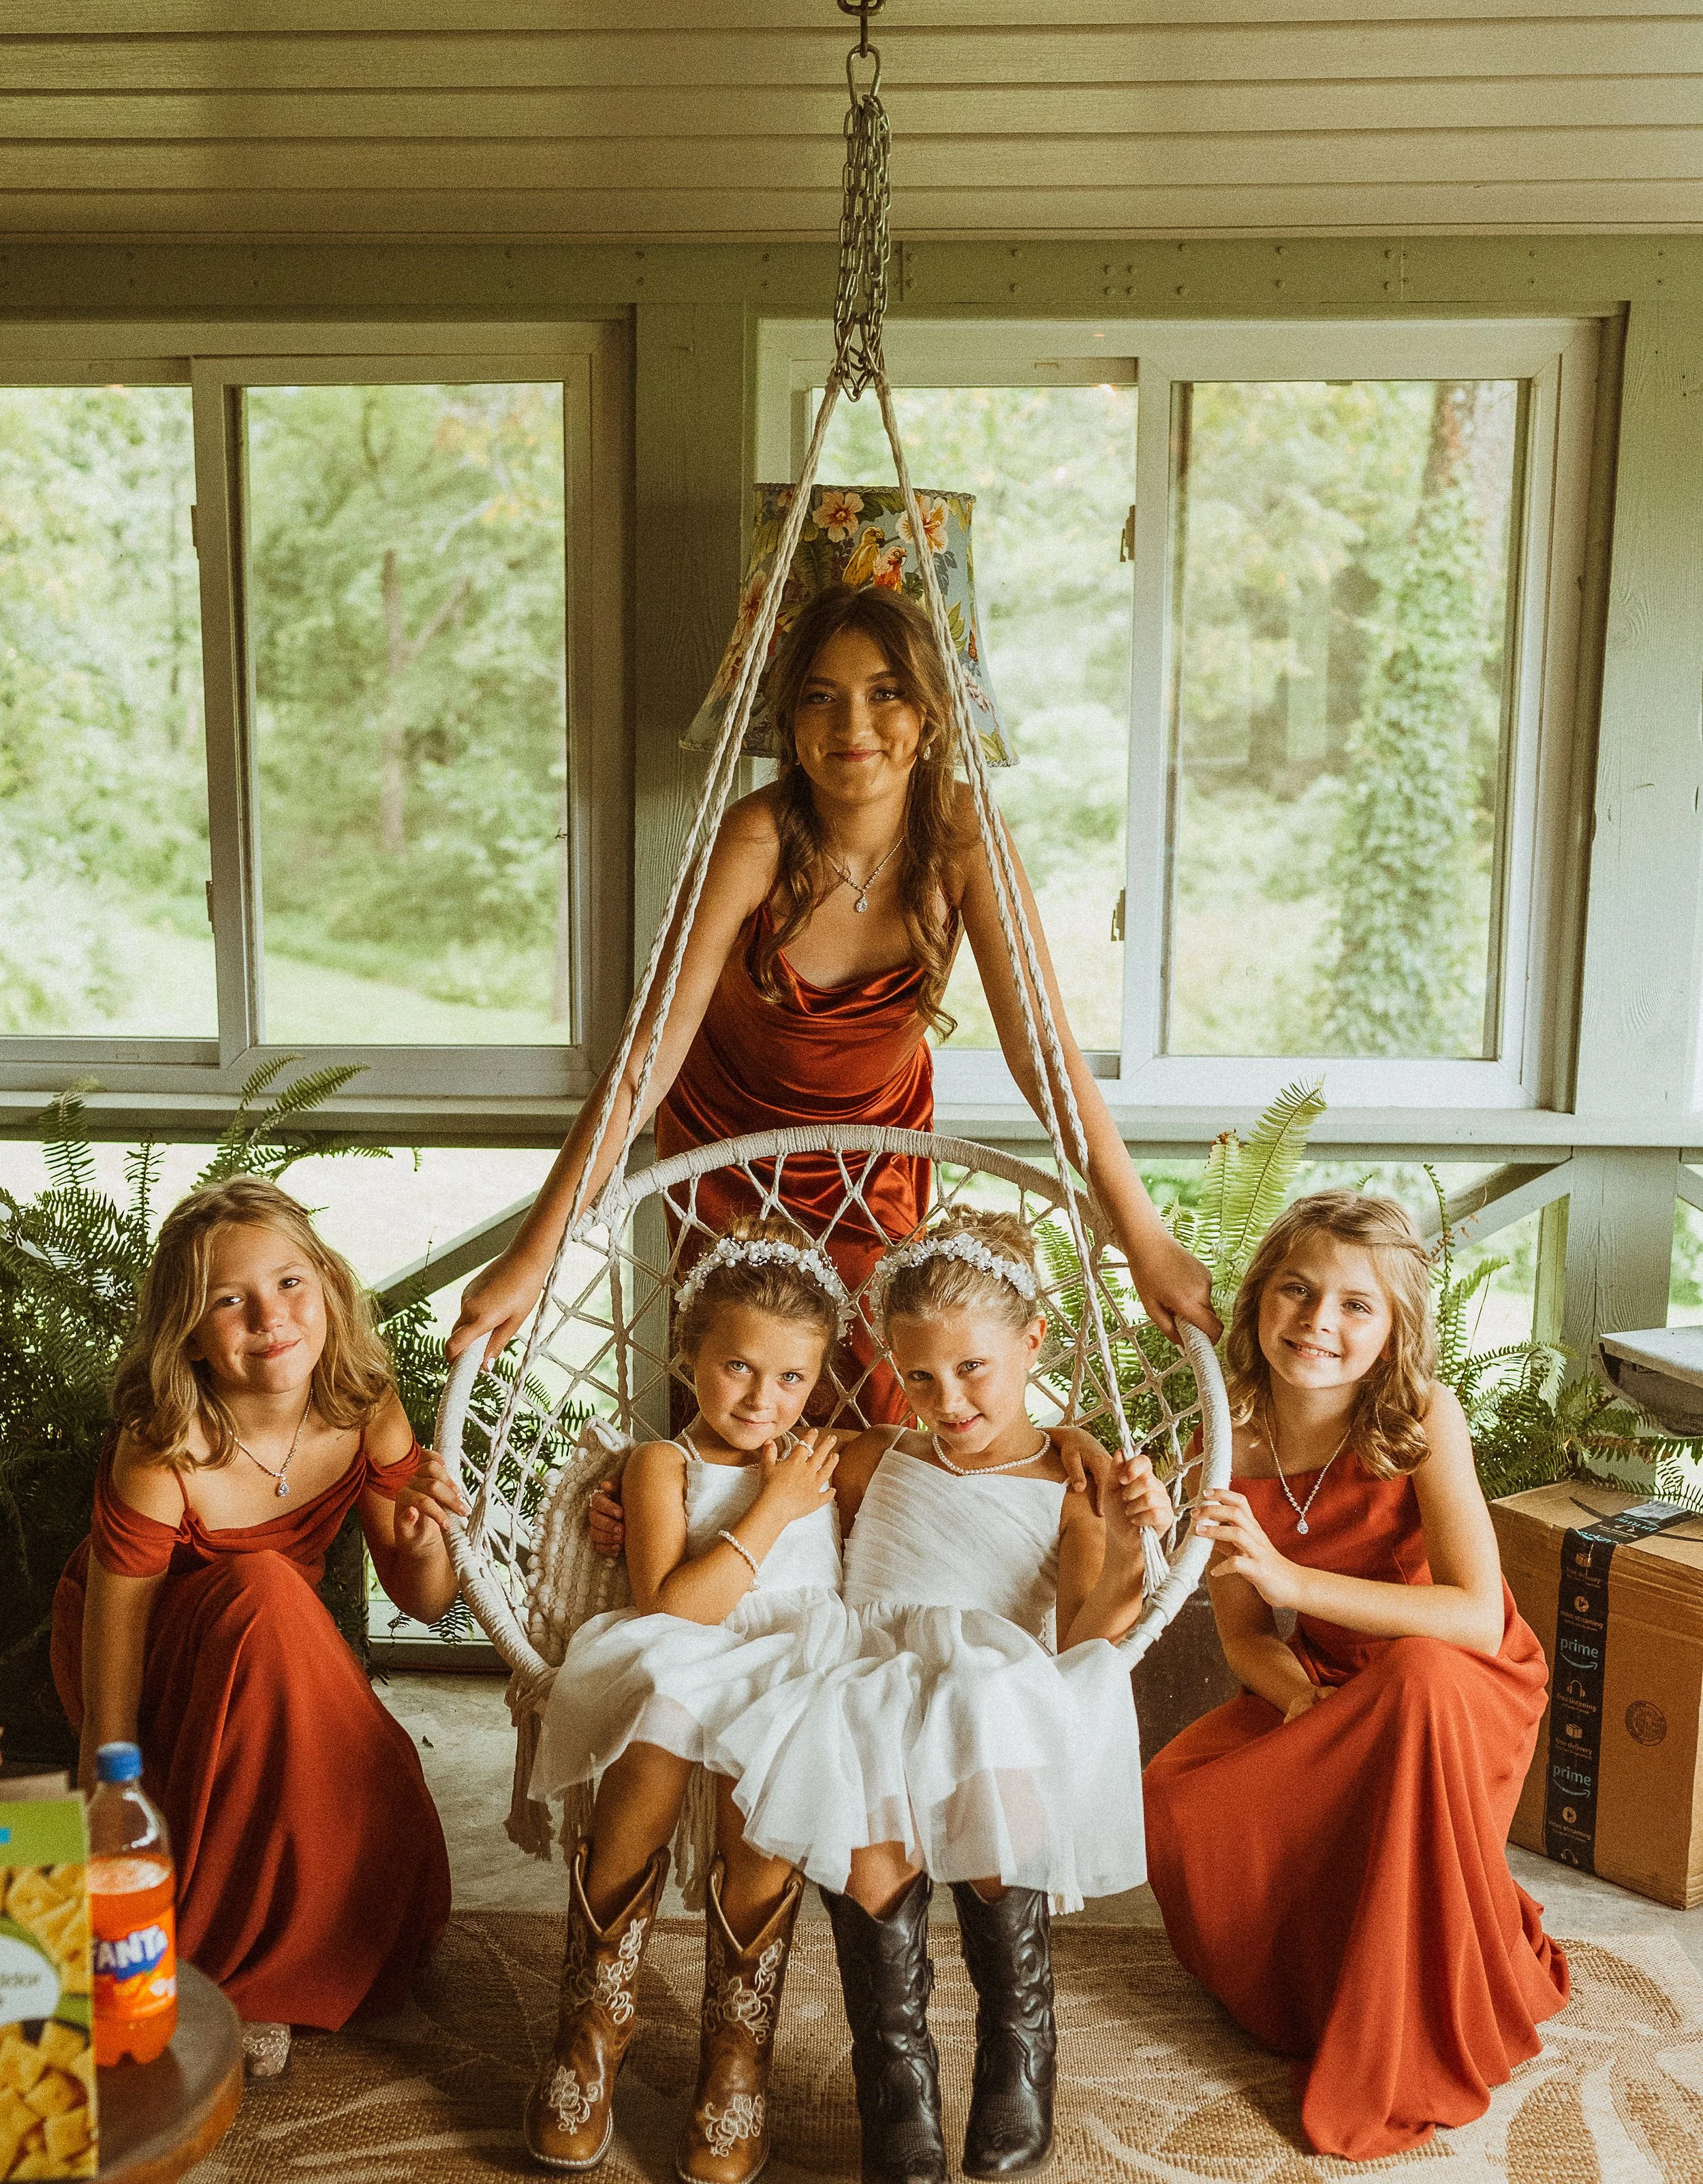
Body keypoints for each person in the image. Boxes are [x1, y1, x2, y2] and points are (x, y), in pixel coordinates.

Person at [450, 582, 1218, 1421]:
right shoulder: (754, 838)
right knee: (746, 1394)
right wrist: (533, 1255)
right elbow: (645, 1059)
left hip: (874, 1148)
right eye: (821, 697)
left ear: (928, 716)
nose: (854, 726)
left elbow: (1042, 1055)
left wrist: (1144, 1238)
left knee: (882, 1387)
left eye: (885, 693)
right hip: (727, 1147)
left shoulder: (963, 833)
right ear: (789, 724)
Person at [593, 1208, 1170, 2184]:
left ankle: (1017, 2047)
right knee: (865, 1832)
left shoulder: (1070, 1484)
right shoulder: (870, 1454)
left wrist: (1122, 1537)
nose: (948, 1400)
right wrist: (617, 1492)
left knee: (994, 1768)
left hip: (986, 1694)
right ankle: (895, 2074)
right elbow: (738, 1464)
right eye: (920, 1376)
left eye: (975, 1369)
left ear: (1033, 1342)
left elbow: (1090, 1636)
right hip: (862, 1682)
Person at [1142, 1190, 1569, 2162]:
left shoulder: (1421, 1416)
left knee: (1417, 1677)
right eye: (1296, 1290)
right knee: (1175, 1797)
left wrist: (1295, 1576)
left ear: (1394, 1327)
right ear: (1258, 1299)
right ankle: (1313, 1987)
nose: (1318, 1322)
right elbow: (1247, 1631)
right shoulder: (1232, 1437)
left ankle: (1401, 2005)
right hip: (1332, 1676)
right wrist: (1298, 1696)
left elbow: (1469, 1610)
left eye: (1354, 1304)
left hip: (1462, 1680)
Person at [50, 1175, 457, 2074]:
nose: (268, 1314)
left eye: (288, 1283)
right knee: (269, 1589)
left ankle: (304, 1943)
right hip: (152, 1652)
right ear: (188, 1332)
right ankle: (235, 1977)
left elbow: (425, 1599)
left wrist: (428, 1540)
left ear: (327, 1283)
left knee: (281, 1614)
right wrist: (112, 1794)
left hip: (273, 1644)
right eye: (228, 1299)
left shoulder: (362, 1401)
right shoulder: (164, 1445)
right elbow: (114, 1652)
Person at [522, 1217, 849, 2181]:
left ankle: (735, 2053)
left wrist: (1074, 1437)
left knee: (770, 1758)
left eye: (793, 1377)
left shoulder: (830, 1454)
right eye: (739, 1366)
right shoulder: (661, 1464)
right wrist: (775, 1507)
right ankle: (594, 2024)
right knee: (660, 1708)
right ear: (690, 1353)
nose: (764, 1396)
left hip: (790, 1665)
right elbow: (674, 1605)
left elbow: (956, 1455)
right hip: (684, 1645)